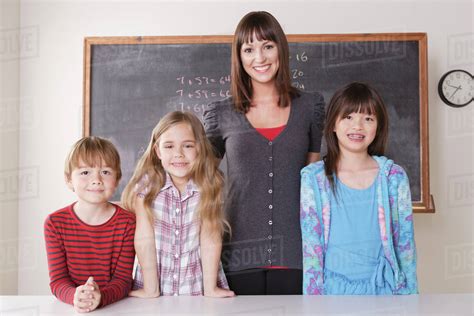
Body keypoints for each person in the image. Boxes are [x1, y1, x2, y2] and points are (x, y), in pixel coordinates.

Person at [203, 11, 325, 295]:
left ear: (280, 48)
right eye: (248, 49)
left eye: (267, 46)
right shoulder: (221, 113)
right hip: (238, 253)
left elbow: (313, 183)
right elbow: (201, 181)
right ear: (239, 57)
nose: (259, 57)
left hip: (297, 252)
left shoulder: (310, 107)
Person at [300, 82, 418, 295]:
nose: (358, 126)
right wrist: (313, 302)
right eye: (348, 117)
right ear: (333, 124)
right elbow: (312, 251)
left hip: (385, 291)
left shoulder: (393, 177)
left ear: (378, 127)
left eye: (368, 119)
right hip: (333, 292)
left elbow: (405, 246)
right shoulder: (314, 179)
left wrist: (410, 298)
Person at [121, 111, 234, 297]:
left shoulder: (208, 186)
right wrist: (150, 288)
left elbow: (210, 237)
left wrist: (211, 288)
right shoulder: (147, 187)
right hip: (155, 282)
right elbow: (144, 239)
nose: (178, 154)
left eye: (188, 145)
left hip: (196, 285)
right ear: (158, 151)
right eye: (169, 146)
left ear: (200, 149)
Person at [44, 136, 136, 313]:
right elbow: (58, 280)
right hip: (73, 308)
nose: (96, 180)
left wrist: (100, 297)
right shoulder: (55, 224)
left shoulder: (127, 222)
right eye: (85, 172)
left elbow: (123, 280)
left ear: (117, 179)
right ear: (69, 179)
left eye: (106, 172)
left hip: (115, 308)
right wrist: (76, 296)